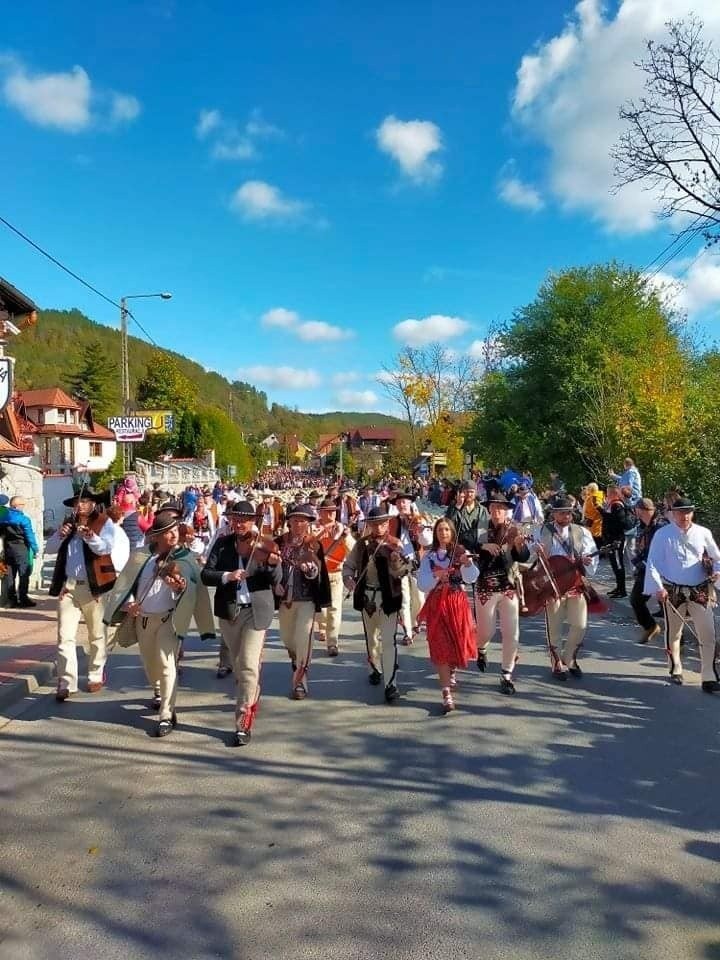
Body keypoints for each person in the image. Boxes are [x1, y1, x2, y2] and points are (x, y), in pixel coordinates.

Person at [201, 501, 282, 745]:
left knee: (248, 664)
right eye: (235, 519)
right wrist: (227, 576)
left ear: (253, 521)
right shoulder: (223, 543)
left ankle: (243, 719)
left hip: (255, 611)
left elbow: (276, 578)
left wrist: (272, 563)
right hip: (229, 612)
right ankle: (250, 690)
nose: (238, 523)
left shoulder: (265, 544)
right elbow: (207, 574)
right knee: (239, 666)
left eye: (244, 519)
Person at [104, 510, 189, 735]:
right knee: (151, 667)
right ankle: (159, 692)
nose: (173, 536)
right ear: (155, 536)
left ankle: (166, 714)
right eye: (167, 532)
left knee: (167, 663)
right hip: (143, 620)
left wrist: (178, 587)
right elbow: (125, 586)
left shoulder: (183, 558)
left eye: (175, 531)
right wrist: (128, 605)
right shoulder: (141, 557)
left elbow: (189, 589)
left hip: (168, 620)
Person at [47, 488, 118, 700]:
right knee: (64, 637)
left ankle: (95, 674)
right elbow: (49, 549)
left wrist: (90, 536)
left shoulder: (104, 522)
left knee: (97, 634)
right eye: (78, 503)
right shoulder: (67, 524)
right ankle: (67, 682)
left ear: (93, 504)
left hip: (94, 587)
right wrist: (60, 535)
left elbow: (104, 548)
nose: (81, 506)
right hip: (68, 587)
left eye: (85, 502)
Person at [644, 497, 720, 692]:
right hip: (672, 590)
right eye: (680, 512)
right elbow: (652, 562)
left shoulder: (703, 533)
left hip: (699, 589)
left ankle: (709, 676)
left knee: (708, 633)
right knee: (674, 631)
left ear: (692, 513)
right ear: (673, 513)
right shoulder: (662, 534)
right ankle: (675, 665)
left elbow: (716, 558)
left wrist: (716, 571)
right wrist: (657, 587)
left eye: (688, 512)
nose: (685, 516)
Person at [343, 506, 413, 703]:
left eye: (383, 523)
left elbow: (404, 571)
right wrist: (348, 578)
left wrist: (397, 563)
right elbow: (349, 565)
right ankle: (374, 667)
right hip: (367, 597)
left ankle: (391, 684)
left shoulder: (395, 544)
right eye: (375, 524)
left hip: (389, 597)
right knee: (372, 638)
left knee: (389, 642)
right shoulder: (362, 544)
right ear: (370, 525)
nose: (379, 527)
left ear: (387, 524)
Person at [416, 517, 479, 713]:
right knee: (440, 645)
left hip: (456, 603)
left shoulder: (460, 553)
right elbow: (422, 583)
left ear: (452, 532)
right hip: (437, 604)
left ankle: (452, 669)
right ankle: (446, 693)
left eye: (447, 529)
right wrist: (436, 576)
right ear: (435, 533)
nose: (443, 533)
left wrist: (466, 565)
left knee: (457, 642)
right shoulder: (429, 556)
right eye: (440, 529)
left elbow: (471, 577)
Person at [533, 496, 598, 680]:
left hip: (575, 585)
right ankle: (556, 662)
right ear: (554, 513)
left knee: (580, 624)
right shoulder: (542, 531)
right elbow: (532, 556)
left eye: (569, 513)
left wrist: (587, 561)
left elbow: (590, 553)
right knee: (554, 628)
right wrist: (537, 553)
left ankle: (569, 657)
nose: (567, 516)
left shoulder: (581, 532)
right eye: (563, 513)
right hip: (552, 586)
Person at [474, 494, 531, 694]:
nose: (497, 511)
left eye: (501, 508)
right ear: (489, 509)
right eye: (494, 508)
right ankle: (481, 649)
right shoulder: (481, 528)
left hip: (509, 586)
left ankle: (506, 674)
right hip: (486, 586)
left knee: (511, 633)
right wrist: (483, 546)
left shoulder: (514, 529)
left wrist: (518, 546)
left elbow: (523, 556)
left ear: (507, 510)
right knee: (485, 632)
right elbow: (466, 542)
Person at [275, 503, 331, 700]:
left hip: (306, 599)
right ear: (289, 522)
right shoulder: (278, 542)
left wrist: (310, 570)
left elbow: (318, 571)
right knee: (288, 638)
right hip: (285, 600)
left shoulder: (313, 544)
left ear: (308, 524)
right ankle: (295, 657)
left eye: (303, 521)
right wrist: (275, 584)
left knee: (304, 638)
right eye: (295, 520)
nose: (299, 524)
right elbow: (269, 568)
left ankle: (300, 682)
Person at [314, 498, 354, 657]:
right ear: (320, 512)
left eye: (333, 511)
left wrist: (345, 537)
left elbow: (352, 551)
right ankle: (322, 626)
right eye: (327, 511)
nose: (330, 514)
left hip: (335, 573)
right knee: (320, 610)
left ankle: (332, 642)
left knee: (334, 609)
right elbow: (308, 547)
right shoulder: (313, 527)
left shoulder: (342, 528)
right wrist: (320, 534)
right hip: (317, 574)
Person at [630, 498, 668, 644]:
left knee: (666, 605)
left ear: (640, 510)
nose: (635, 513)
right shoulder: (642, 525)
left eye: (636, 510)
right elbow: (641, 546)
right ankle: (650, 626)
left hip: (661, 570)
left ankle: (679, 640)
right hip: (645, 569)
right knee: (636, 600)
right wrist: (638, 560)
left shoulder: (660, 525)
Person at [0, 495, 39, 607]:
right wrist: (35, 549)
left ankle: (11, 601)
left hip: (8, 549)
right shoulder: (24, 519)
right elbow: (29, 535)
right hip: (21, 549)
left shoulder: (3, 517)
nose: (23, 507)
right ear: (17, 506)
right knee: (24, 575)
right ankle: (23, 599)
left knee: (10, 575)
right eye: (22, 505)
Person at [601, 485, 630, 598]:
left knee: (618, 564)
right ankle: (618, 587)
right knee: (614, 564)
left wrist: (604, 513)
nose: (606, 495)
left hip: (616, 540)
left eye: (608, 493)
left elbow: (619, 522)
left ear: (613, 494)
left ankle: (622, 590)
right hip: (611, 539)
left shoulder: (617, 505)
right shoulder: (611, 505)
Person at [444, 480, 489, 553]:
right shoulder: (454, 507)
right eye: (466, 491)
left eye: (471, 492)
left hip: (475, 549)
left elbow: (483, 535)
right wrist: (458, 506)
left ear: (475, 493)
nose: (469, 494)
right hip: (456, 548)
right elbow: (447, 525)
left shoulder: (482, 510)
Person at [581, 482, 605, 548]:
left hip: (594, 523)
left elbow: (594, 510)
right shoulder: (601, 495)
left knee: (596, 542)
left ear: (590, 489)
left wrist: (587, 515)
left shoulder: (593, 498)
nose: (587, 490)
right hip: (598, 523)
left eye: (588, 488)